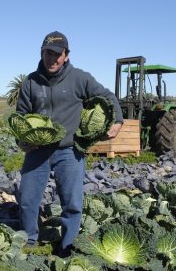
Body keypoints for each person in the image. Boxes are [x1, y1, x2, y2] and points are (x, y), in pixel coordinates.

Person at [16, 31, 123, 257]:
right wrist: (22, 140)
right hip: (38, 150)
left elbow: (108, 97)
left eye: (57, 54)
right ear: (41, 53)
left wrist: (118, 121)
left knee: (72, 202)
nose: (52, 59)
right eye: (47, 53)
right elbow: (21, 117)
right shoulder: (31, 82)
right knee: (27, 198)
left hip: (69, 150)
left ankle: (67, 245)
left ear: (66, 55)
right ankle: (30, 240)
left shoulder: (80, 78)